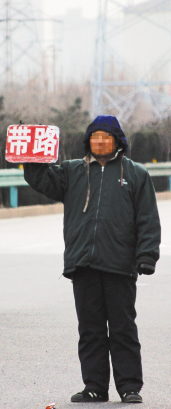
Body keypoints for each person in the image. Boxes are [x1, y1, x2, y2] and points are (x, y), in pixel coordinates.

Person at [23, 115, 161, 404]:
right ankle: (95, 386)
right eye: (95, 137)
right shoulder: (72, 171)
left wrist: (146, 256)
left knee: (123, 328)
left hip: (120, 266)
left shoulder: (135, 174)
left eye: (106, 137)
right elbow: (41, 180)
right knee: (90, 329)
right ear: (88, 141)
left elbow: (148, 219)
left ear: (117, 142)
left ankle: (129, 387)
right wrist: (32, 155)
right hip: (83, 263)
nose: (100, 142)